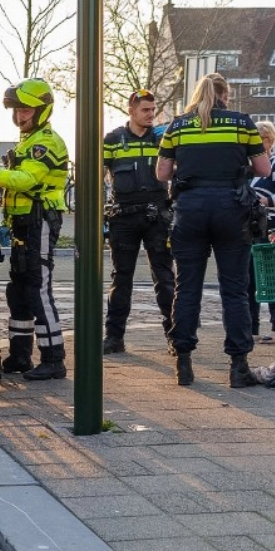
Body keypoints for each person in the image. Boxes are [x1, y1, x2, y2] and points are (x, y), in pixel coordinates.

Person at [156, 73, 270, 388]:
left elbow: (161, 172)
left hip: (190, 210)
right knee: (234, 289)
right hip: (231, 209)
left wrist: (190, 170)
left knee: (186, 287)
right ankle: (238, 366)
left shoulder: (176, 126)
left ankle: (183, 363)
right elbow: (263, 169)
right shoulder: (241, 123)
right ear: (225, 94)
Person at [0, 78, 70, 381]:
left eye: (26, 110)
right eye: (17, 110)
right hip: (23, 223)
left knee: (39, 288)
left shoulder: (46, 142)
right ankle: (20, 355)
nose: (20, 115)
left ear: (42, 110)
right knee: (19, 290)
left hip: (41, 221)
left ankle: (53, 358)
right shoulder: (27, 141)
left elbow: (26, 180)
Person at [101, 89, 175, 355]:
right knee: (121, 278)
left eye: (153, 110)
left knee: (165, 277)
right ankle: (114, 337)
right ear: (131, 111)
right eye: (145, 110)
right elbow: (97, 174)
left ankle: (174, 336)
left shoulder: (162, 139)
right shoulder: (113, 140)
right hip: (124, 216)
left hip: (157, 215)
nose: (150, 115)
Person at [249, 120, 275, 344]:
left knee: (273, 278)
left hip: (274, 226)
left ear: (269, 141)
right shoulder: (249, 168)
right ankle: (252, 328)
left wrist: (264, 200)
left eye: (260, 139)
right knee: (250, 279)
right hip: (252, 228)